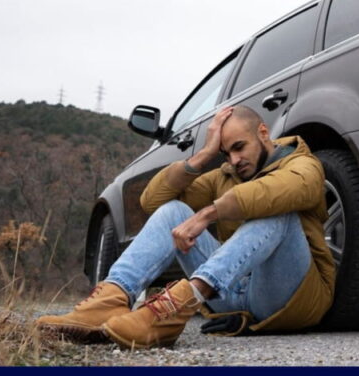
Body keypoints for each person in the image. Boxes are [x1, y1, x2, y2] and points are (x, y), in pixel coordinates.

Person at [36, 105, 335, 349]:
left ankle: (179, 304)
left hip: (290, 295)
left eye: (240, 147)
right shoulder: (226, 173)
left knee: (277, 211)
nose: (234, 159)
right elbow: (153, 201)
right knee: (173, 211)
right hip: (230, 293)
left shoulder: (303, 163)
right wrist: (203, 156)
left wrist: (207, 214)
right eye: (226, 151)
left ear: (263, 132)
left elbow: (288, 190)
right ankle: (111, 299)